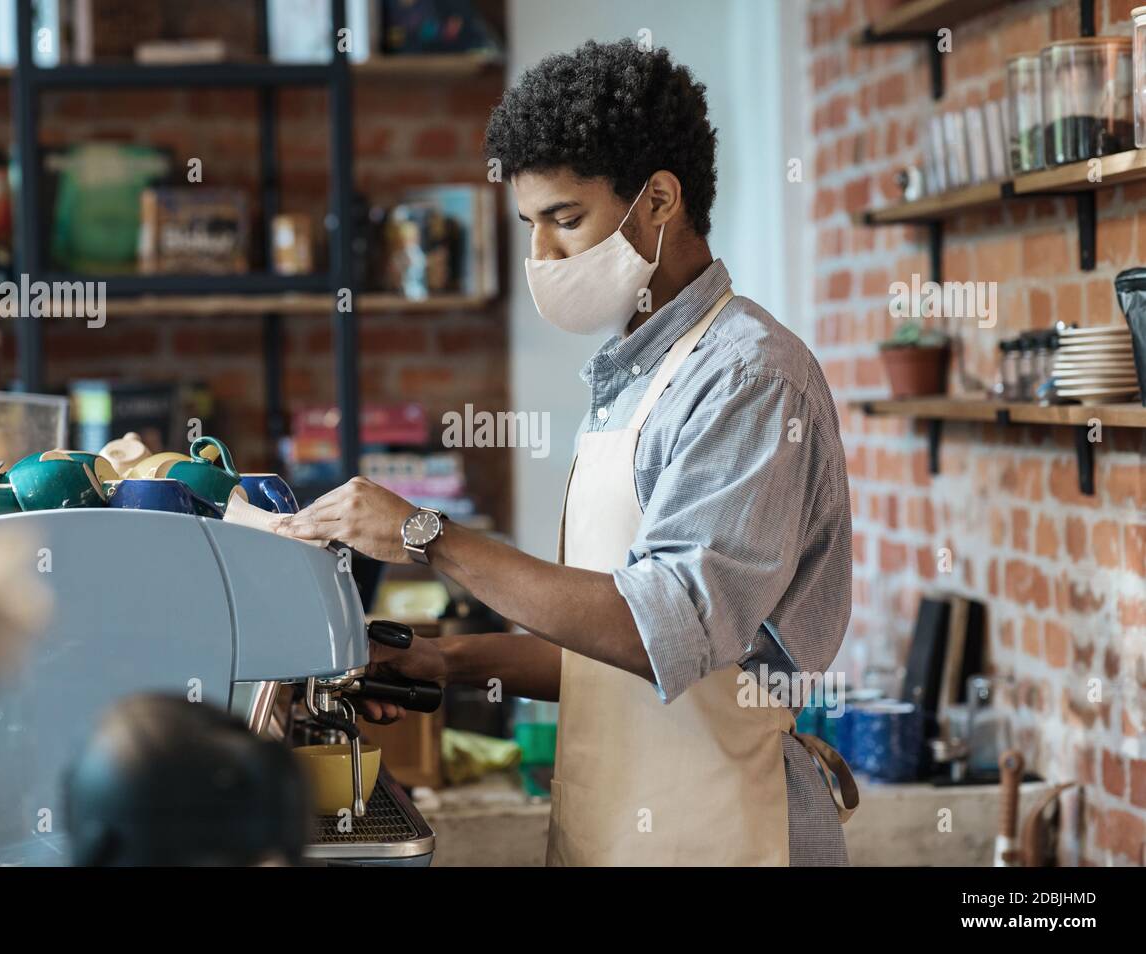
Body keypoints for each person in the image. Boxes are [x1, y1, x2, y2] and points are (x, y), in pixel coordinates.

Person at [275, 39, 857, 866]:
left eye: (566, 219)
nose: (541, 257)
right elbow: (609, 647)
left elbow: (665, 629)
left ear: (659, 199)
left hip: (729, 834)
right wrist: (449, 659)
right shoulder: (634, 374)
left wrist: (425, 537)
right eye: (529, 225)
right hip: (610, 831)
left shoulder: (749, 378)